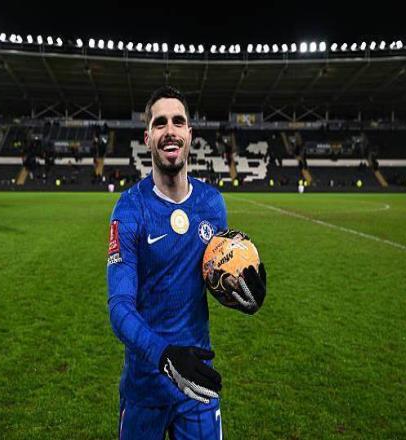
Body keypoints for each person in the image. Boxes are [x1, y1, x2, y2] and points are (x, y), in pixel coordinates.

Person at [106, 86, 266, 439]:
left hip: (197, 382)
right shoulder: (129, 209)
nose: (170, 131)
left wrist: (242, 293)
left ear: (189, 134)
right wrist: (164, 356)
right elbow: (119, 307)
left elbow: (214, 275)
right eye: (160, 123)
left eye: (178, 122)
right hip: (145, 386)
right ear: (147, 137)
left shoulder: (212, 204)